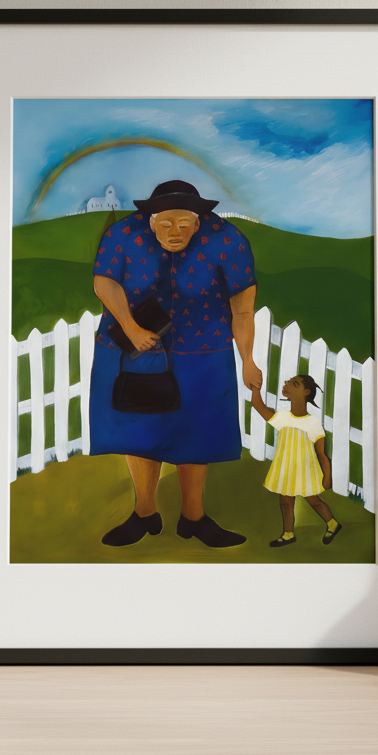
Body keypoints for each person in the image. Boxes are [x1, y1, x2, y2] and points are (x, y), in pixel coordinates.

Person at [89, 180, 263, 548]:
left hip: (204, 349)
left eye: (185, 225)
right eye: (166, 224)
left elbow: (243, 306)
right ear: (150, 220)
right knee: (138, 430)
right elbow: (104, 282)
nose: (175, 232)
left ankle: (194, 518)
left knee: (197, 435)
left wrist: (248, 359)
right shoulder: (122, 234)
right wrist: (132, 327)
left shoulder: (228, 240)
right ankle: (144, 513)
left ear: (199, 222)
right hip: (133, 346)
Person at [250, 374, 342, 547]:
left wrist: (327, 476)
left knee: (313, 499)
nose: (286, 384)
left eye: (295, 383)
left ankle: (332, 523)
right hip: (286, 470)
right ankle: (288, 534)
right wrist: (255, 387)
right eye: (289, 382)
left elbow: (322, 454)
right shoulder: (282, 418)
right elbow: (258, 405)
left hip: (305, 472)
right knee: (285, 501)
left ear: (306, 392)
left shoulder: (313, 423)